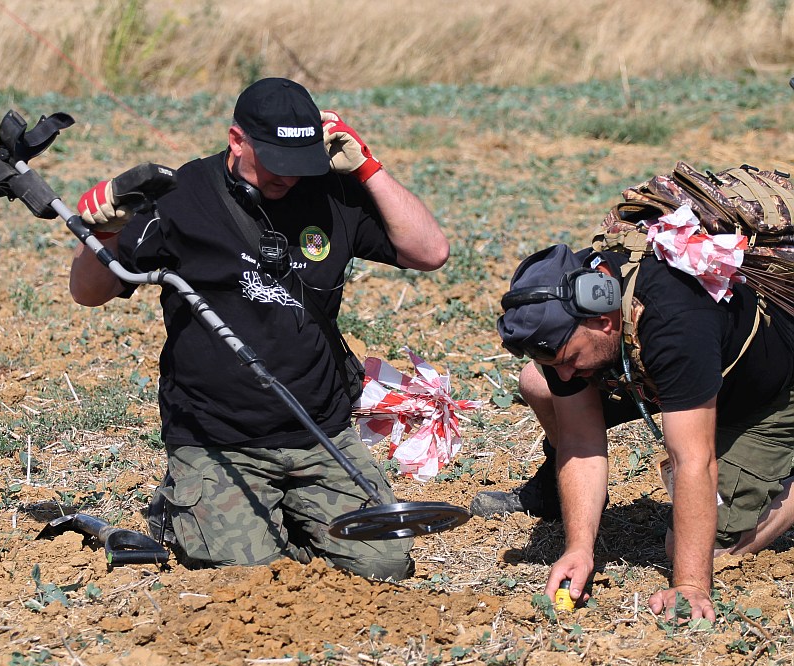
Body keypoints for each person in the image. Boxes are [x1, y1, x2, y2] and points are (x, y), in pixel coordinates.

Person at [68, 77, 448, 580]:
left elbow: (430, 252)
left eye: (300, 163)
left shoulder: (330, 191)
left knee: (387, 562)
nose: (288, 178)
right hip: (220, 437)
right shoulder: (182, 197)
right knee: (250, 574)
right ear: (236, 140)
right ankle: (191, 500)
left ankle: (286, 507)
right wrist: (105, 230)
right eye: (274, 162)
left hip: (322, 431)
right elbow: (89, 291)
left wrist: (368, 169)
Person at [475, 242, 794, 620]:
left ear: (605, 321)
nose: (564, 373)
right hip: (690, 374)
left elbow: (694, 459)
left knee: (697, 551)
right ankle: (559, 497)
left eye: (570, 358)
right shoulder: (574, 302)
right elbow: (580, 441)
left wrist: (690, 584)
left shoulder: (673, 321)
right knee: (538, 382)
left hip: (769, 395)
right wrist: (579, 548)